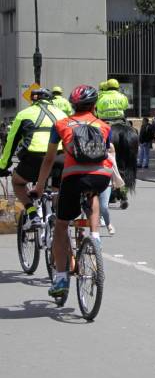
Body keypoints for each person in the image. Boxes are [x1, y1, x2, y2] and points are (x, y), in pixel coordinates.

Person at [34, 85, 113, 299]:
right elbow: (102, 152)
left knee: (61, 226)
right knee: (93, 193)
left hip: (73, 177)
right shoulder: (104, 126)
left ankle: (61, 278)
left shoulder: (60, 125)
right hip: (101, 176)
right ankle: (95, 237)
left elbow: (49, 159)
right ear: (94, 105)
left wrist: (40, 186)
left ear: (72, 105)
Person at [0, 88, 66, 228]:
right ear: (50, 100)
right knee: (57, 186)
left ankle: (32, 213)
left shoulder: (23, 114)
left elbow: (11, 143)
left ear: (32, 100)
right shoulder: (62, 113)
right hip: (59, 157)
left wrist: (3, 166)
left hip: (34, 158)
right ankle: (55, 213)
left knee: (17, 182)